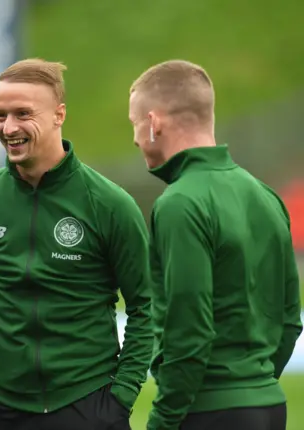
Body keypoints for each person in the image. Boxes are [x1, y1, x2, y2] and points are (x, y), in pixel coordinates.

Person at [0, 58, 153, 430]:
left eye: (23, 114)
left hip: (87, 404)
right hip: (3, 408)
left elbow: (146, 308)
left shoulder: (109, 204)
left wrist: (120, 399)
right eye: (0, 115)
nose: (9, 127)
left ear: (58, 115)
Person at [128, 59, 303, 430]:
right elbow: (290, 318)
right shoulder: (266, 197)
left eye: (135, 124)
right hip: (268, 405)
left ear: (154, 123)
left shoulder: (180, 203)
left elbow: (188, 328)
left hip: (209, 412)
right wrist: (251, 385)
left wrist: (163, 419)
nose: (135, 138)